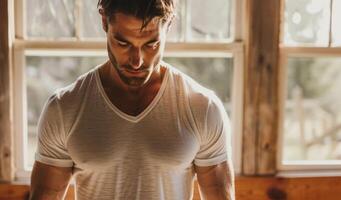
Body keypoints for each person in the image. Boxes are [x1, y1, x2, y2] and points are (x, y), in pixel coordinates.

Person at [29, 0, 235, 199]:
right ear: (104, 22)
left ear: (169, 26)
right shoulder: (65, 108)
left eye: (151, 45)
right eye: (123, 43)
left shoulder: (202, 107)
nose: (137, 61)